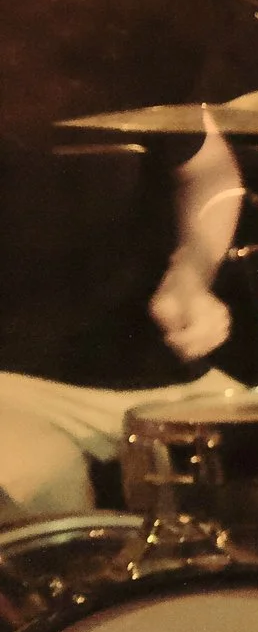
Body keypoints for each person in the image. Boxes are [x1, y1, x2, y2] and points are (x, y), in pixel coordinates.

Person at [0, 123, 245, 522]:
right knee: (47, 496)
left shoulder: (141, 81)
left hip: (160, 371)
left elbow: (209, 168)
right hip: (14, 385)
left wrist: (193, 270)